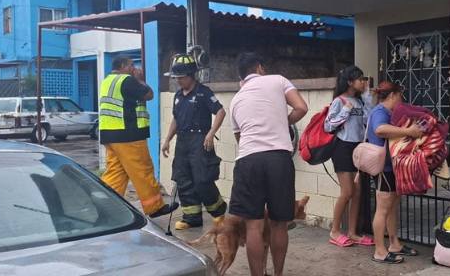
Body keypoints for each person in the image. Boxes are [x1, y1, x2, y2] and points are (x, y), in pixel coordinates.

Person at [228, 52, 309, 276]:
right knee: (278, 224)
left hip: (248, 160)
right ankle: (278, 273)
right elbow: (301, 108)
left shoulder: (235, 99)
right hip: (278, 160)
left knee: (253, 225)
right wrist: (284, 121)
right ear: (260, 68)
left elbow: (240, 138)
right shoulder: (278, 80)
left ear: (241, 77)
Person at [99, 56, 178, 218]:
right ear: (122, 66)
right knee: (143, 170)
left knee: (116, 172)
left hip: (110, 134)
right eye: (131, 65)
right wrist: (140, 79)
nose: (133, 68)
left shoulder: (107, 81)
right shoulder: (127, 80)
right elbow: (149, 94)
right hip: (128, 135)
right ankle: (155, 207)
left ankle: (104, 207)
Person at [160, 53, 228, 230]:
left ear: (191, 75)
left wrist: (211, 133)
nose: (178, 81)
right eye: (176, 78)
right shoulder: (177, 96)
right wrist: (167, 139)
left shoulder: (204, 93)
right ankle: (191, 217)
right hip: (183, 141)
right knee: (183, 180)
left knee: (202, 179)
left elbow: (220, 112)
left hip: (200, 141)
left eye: (181, 77)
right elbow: (176, 119)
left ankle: (218, 212)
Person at [366, 81, 423, 264]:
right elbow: (380, 130)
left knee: (391, 207)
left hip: (393, 167)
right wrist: (409, 131)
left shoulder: (388, 112)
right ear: (392, 95)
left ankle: (394, 244)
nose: (401, 99)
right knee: (383, 208)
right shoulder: (380, 112)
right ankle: (379, 251)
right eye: (399, 96)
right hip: (384, 167)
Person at [324, 65, 374, 248]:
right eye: (360, 79)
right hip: (342, 148)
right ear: (350, 82)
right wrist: (346, 110)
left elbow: (368, 123)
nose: (364, 82)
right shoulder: (339, 101)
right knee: (347, 192)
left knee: (358, 193)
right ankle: (335, 231)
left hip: (358, 148)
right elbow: (328, 126)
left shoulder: (360, 101)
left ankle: (353, 232)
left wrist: (368, 99)